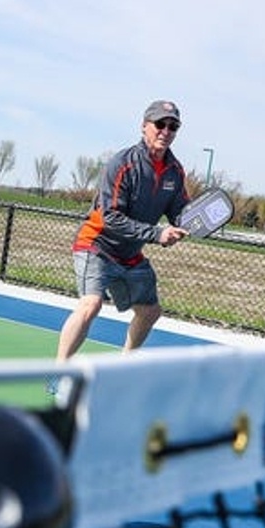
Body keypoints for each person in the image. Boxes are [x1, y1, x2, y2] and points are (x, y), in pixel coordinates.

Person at [54, 100, 191, 367]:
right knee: (91, 305)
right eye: (160, 124)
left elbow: (179, 213)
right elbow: (111, 217)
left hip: (129, 254)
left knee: (150, 312)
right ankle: (59, 373)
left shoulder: (175, 171)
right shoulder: (122, 164)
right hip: (97, 244)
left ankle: (123, 367)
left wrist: (190, 223)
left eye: (173, 126)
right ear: (144, 127)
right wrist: (156, 234)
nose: (166, 130)